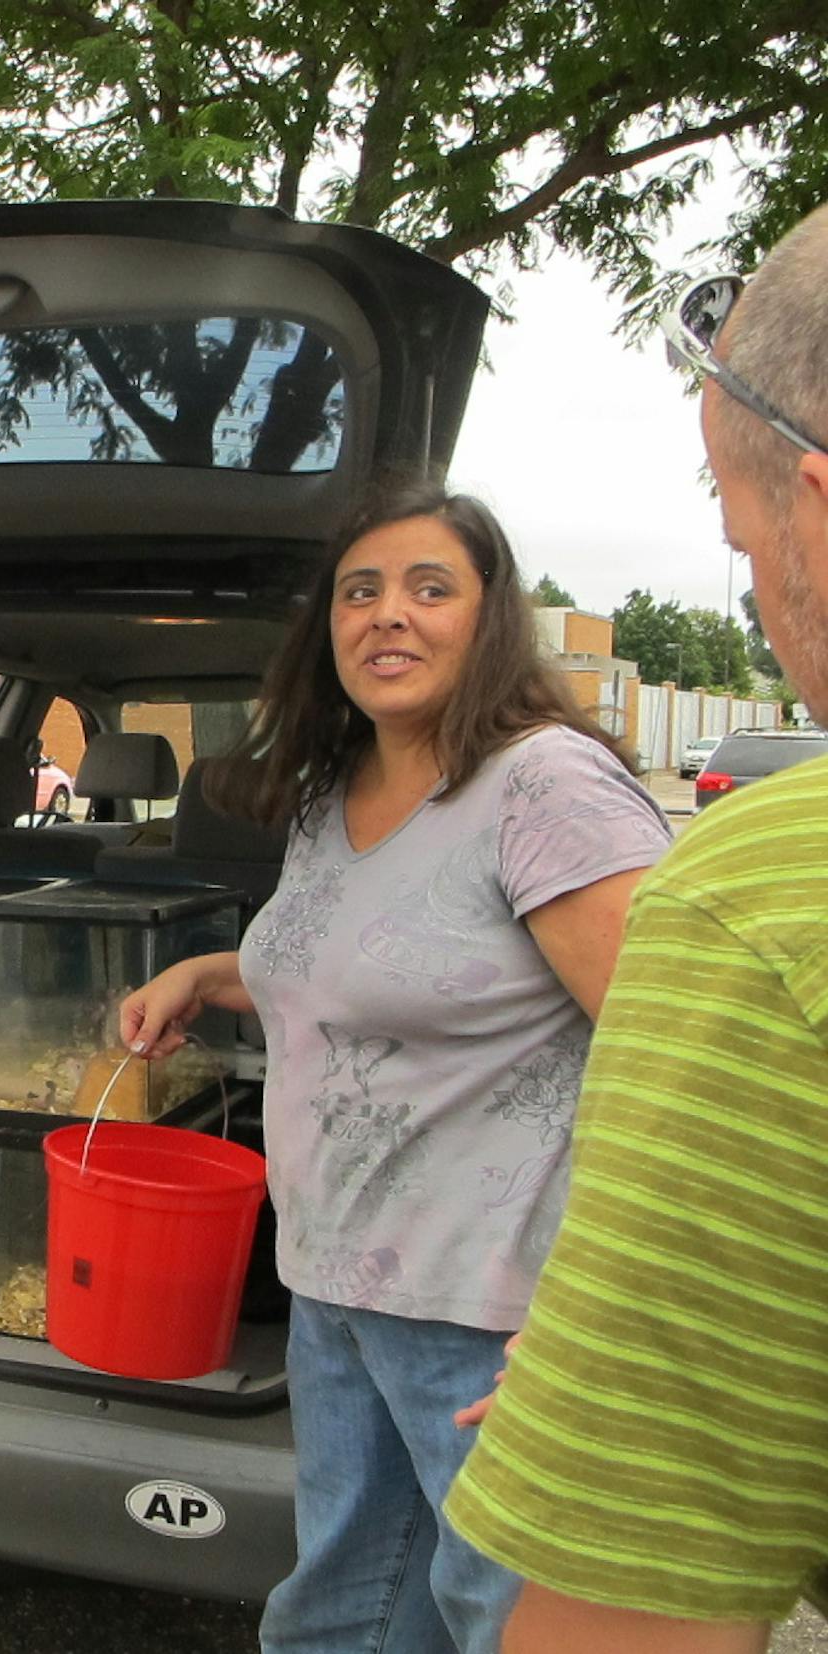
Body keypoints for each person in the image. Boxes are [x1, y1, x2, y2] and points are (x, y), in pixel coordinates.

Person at [119, 479, 671, 1654]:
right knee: (346, 1615)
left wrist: (598, 1313)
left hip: (493, 1312)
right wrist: (213, 974)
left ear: (491, 618)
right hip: (336, 1289)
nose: (389, 616)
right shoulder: (331, 794)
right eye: (360, 592)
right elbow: (366, 969)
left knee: (506, 1623)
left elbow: (671, 1057)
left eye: (431, 587)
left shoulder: (544, 786)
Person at [446, 212, 828, 1650]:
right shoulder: (328, 802)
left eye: (744, 546)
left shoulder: (758, 894)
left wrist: (644, 1324)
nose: (758, 599)